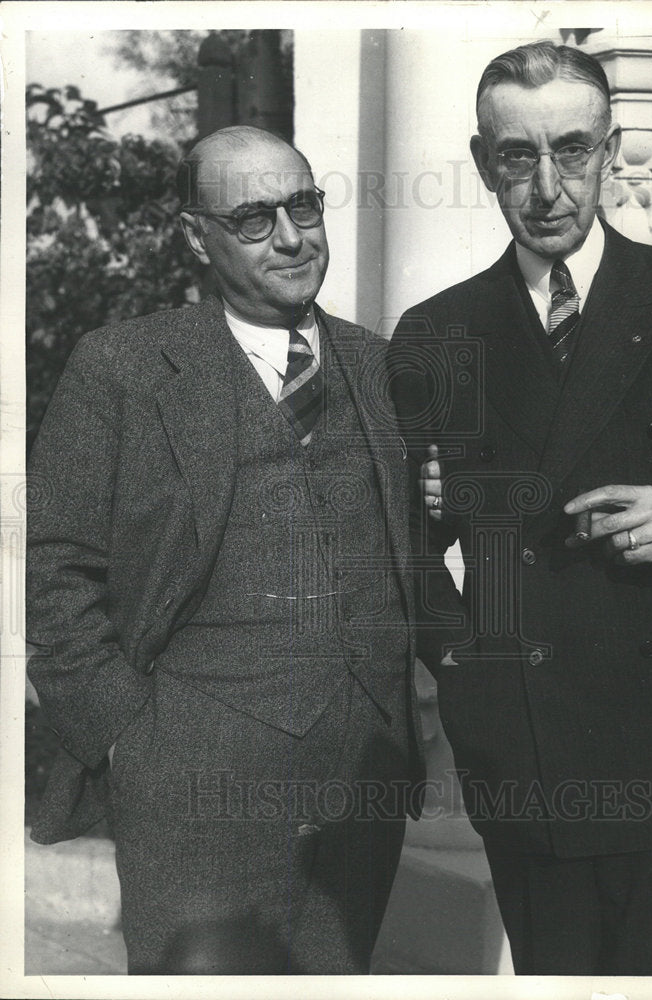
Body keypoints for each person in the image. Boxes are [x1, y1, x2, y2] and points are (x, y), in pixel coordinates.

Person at [387, 41, 652, 976]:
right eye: (518, 157)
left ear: (610, 151)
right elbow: (403, 544)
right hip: (531, 752)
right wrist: (466, 671)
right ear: (485, 163)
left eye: (572, 150)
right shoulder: (438, 331)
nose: (548, 187)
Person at [27, 125, 425, 975]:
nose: (291, 237)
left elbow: (414, 538)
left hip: (361, 789)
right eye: (252, 218)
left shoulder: (381, 365)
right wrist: (129, 743)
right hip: (192, 796)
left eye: (304, 205)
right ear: (193, 235)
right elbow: (55, 572)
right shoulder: (122, 369)